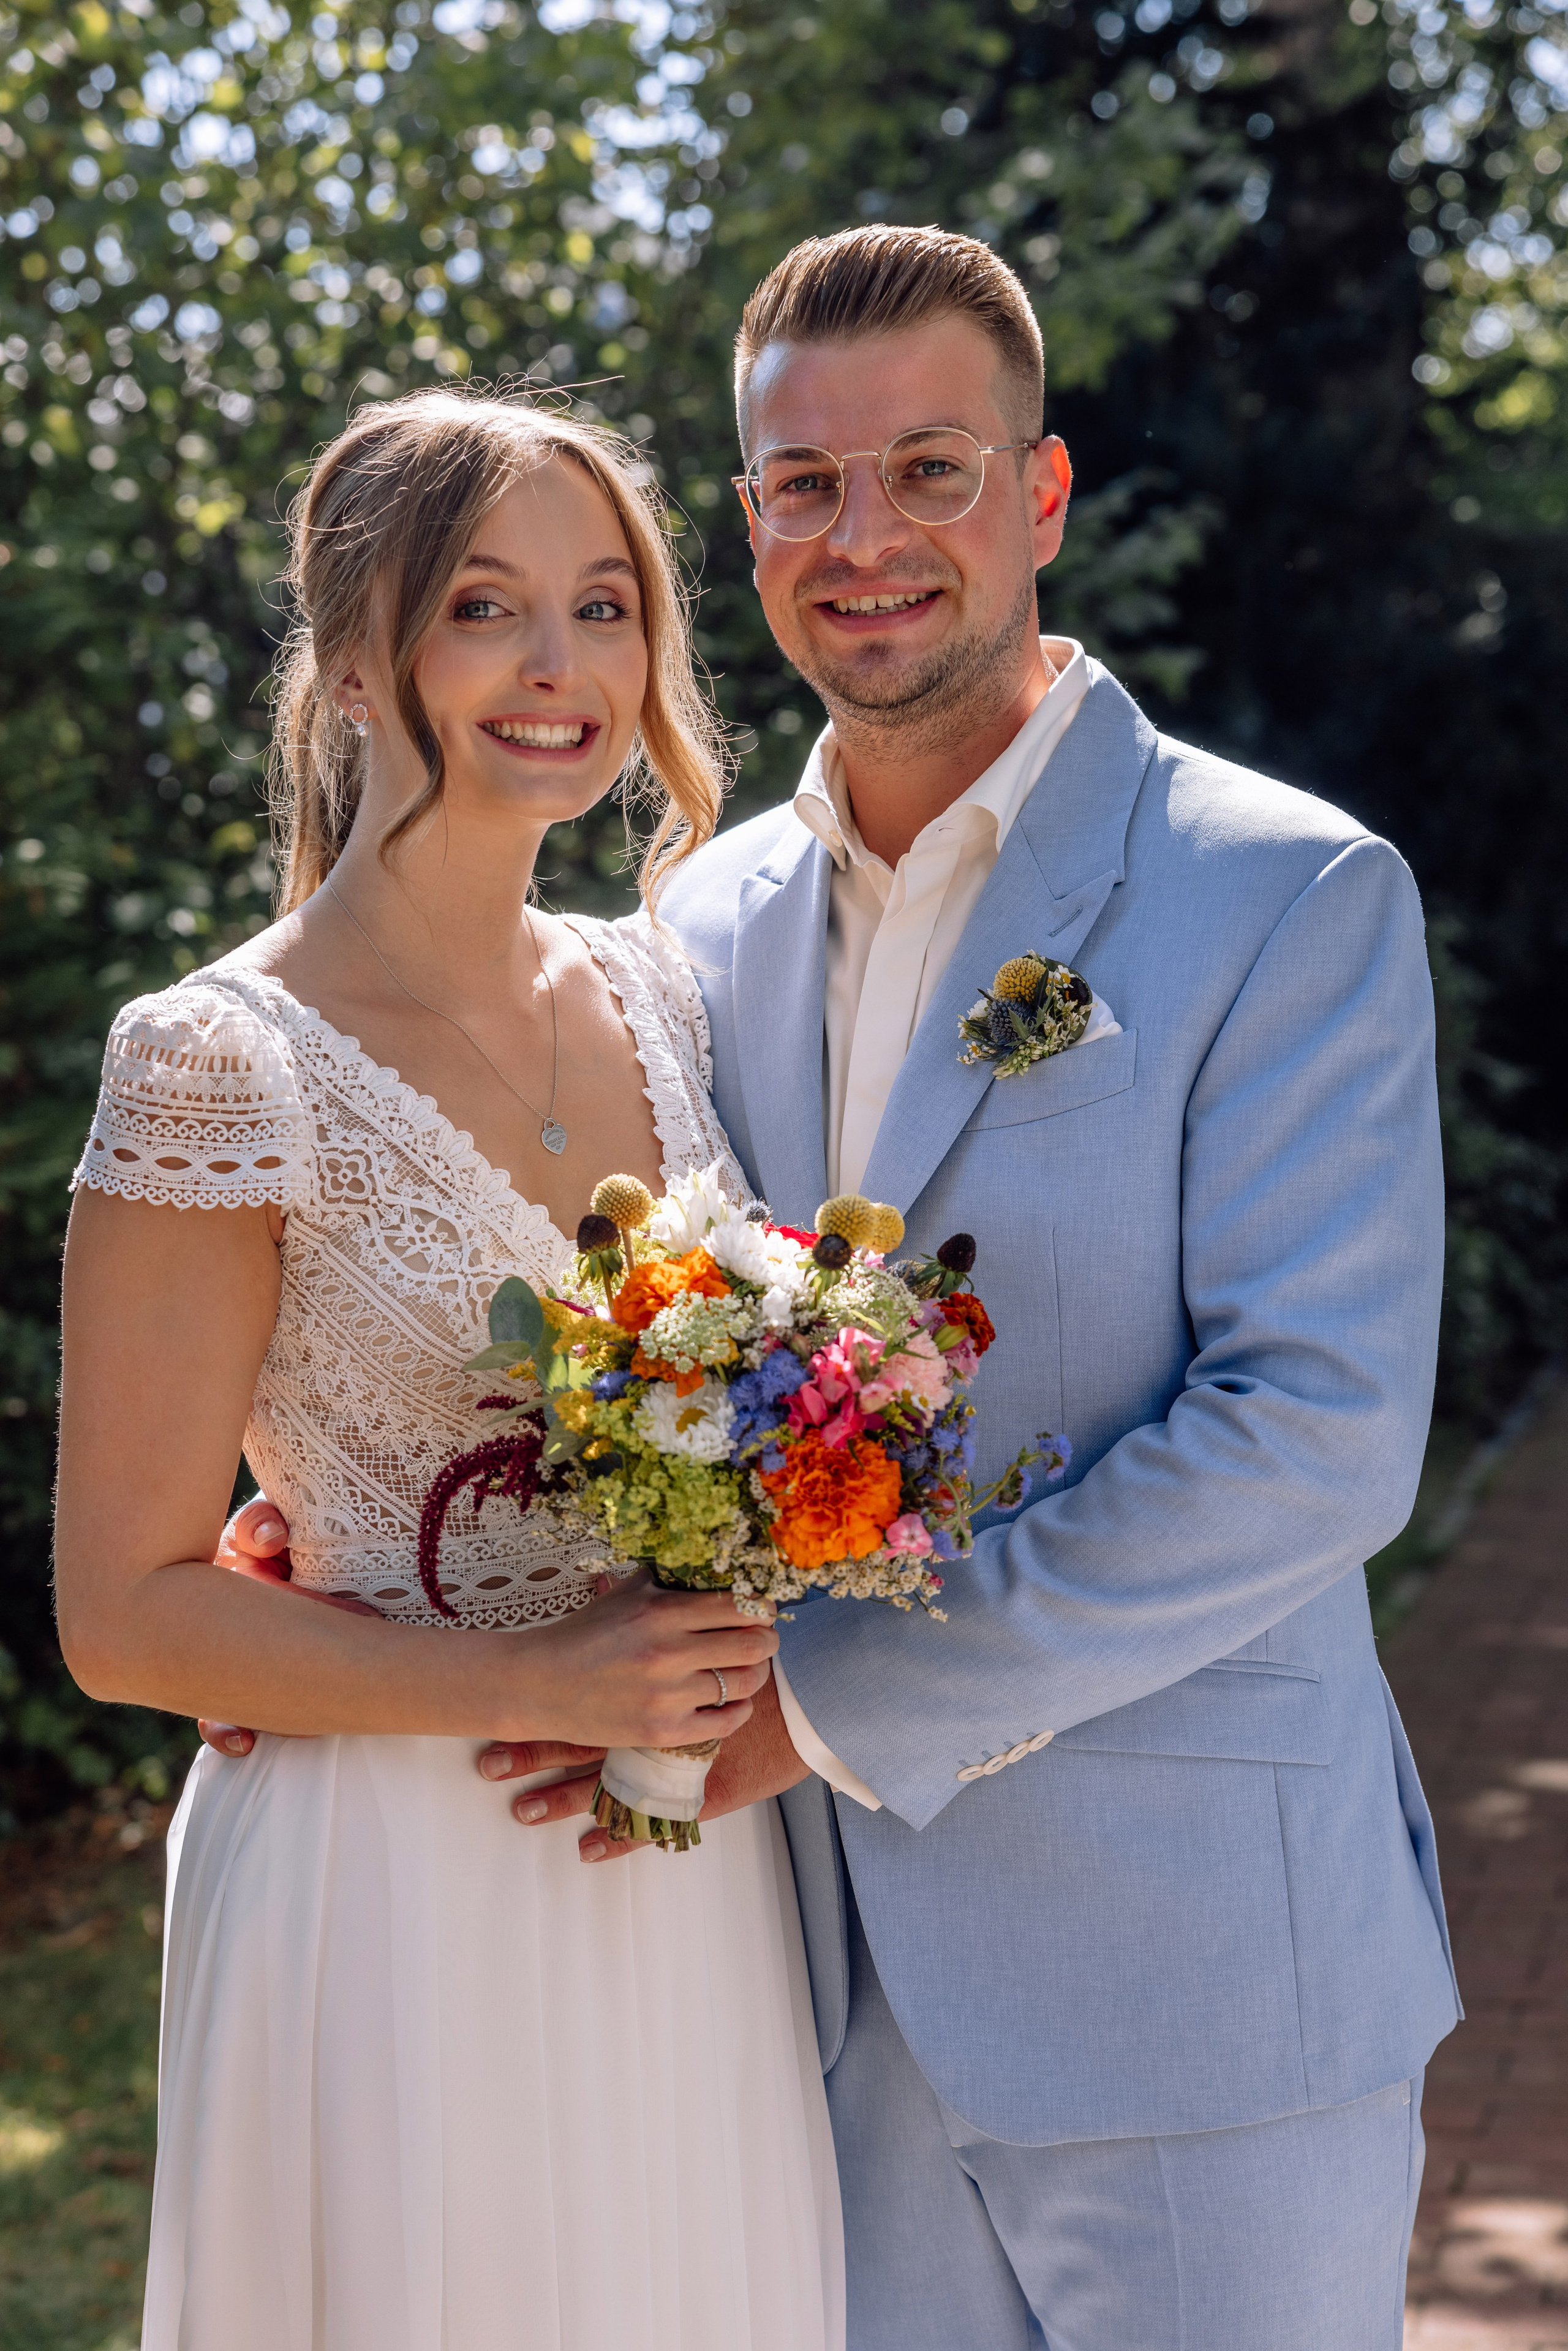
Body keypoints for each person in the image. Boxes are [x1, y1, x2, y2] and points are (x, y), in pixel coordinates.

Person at [216, 225, 1458, 2347]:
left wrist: (821, 1709)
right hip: (796, 2002)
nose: (865, 536)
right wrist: (369, 1529)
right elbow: (623, 1337)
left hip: (1193, 1991)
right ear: (751, 526)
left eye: (930, 471)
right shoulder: (687, 933)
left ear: (1041, 493)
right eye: (807, 484)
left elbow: (1316, 1438)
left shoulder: (1287, 889)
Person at [55, 390, 844, 2351]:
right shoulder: (216, 1061)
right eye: (484, 607)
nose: (559, 664)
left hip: (674, 1874)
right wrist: (534, 1681)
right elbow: (120, 1614)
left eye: (604, 605)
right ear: (355, 657)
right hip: (389, 1896)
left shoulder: (662, 991)